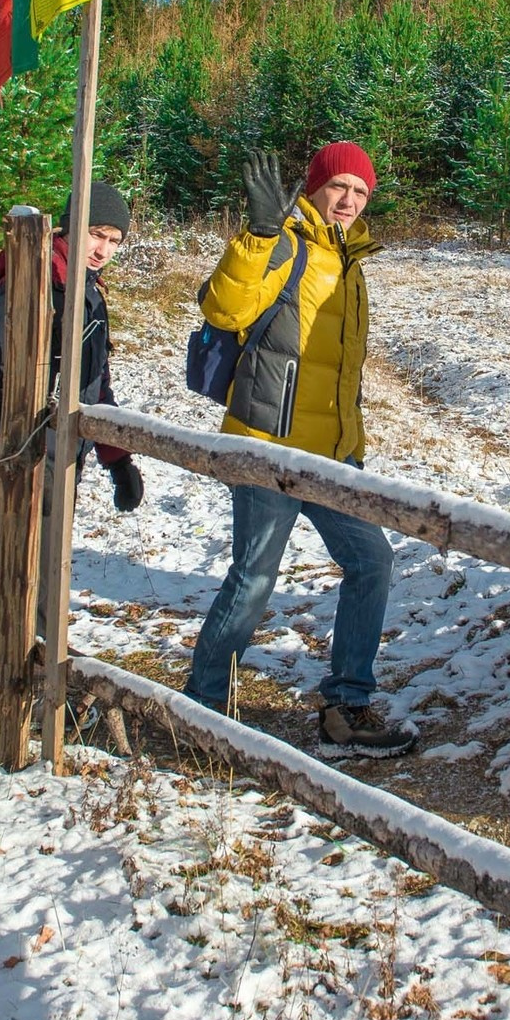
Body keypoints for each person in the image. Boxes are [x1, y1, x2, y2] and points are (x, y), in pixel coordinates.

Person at [181, 142, 414, 759]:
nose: (349, 201)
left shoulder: (352, 262)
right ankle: (202, 710)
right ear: (313, 188)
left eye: (361, 192)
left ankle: (347, 706)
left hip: (333, 455)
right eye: (339, 186)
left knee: (372, 563)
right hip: (268, 448)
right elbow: (223, 309)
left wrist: (351, 446)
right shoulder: (283, 245)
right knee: (255, 576)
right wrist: (257, 235)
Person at [0, 183, 144, 747]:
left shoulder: (88, 290)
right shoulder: (29, 283)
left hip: (62, 454)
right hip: (22, 454)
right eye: (96, 233)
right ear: (67, 226)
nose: (104, 247)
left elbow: (94, 384)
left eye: (114, 239)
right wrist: (21, 452)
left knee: (41, 571)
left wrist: (115, 459)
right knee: (27, 569)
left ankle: (43, 689)